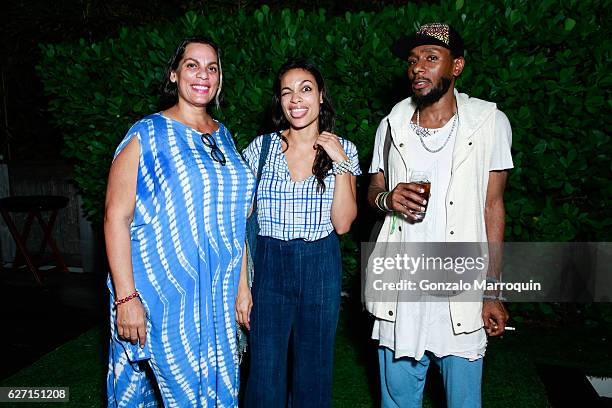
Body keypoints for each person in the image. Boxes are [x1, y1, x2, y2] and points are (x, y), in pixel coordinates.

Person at [365, 23, 512, 407]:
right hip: (401, 289)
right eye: (413, 60)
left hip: (459, 291)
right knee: (397, 401)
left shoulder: (489, 123)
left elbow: (493, 207)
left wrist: (492, 289)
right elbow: (373, 193)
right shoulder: (391, 125)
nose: (418, 68)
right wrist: (388, 200)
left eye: (431, 58)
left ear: (456, 66)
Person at [104, 36, 255, 407]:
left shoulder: (225, 136)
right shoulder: (147, 133)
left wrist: (242, 287)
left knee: (217, 393)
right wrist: (126, 297)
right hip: (160, 294)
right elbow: (115, 217)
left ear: (219, 79)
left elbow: (235, 223)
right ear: (174, 74)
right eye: (192, 65)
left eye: (212, 67)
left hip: (217, 298)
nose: (203, 74)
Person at [239, 58, 361, 408]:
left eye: (305, 89)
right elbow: (240, 225)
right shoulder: (260, 149)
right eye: (287, 92)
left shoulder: (344, 149)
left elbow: (343, 224)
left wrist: (339, 162)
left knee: (315, 367)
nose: (296, 99)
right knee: (264, 369)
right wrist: (241, 289)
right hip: (269, 263)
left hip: (320, 262)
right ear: (279, 101)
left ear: (321, 96)